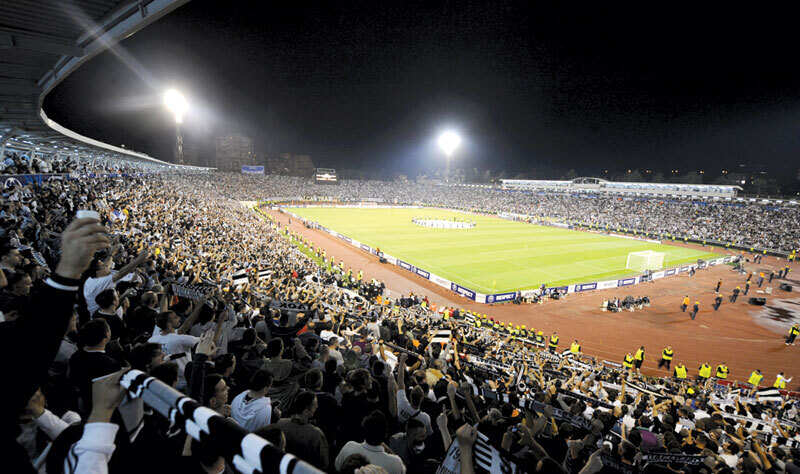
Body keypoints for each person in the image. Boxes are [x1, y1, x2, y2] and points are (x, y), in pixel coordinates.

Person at [68, 319, 122, 415]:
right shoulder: (111, 365)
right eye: (108, 330)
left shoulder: (75, 356)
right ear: (105, 338)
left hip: (81, 403)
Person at [335, 410, 406, 474]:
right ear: (385, 434)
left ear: (364, 430)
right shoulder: (395, 462)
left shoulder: (349, 446)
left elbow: (337, 467)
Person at [276, 390, 329, 470]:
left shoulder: (279, 423)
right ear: (306, 411)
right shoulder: (316, 434)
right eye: (314, 405)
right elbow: (324, 463)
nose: (317, 406)